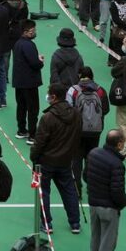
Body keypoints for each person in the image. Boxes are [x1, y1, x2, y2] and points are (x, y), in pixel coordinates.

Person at [31, 83, 82, 234]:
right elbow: (78, 136)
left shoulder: (48, 117)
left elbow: (39, 142)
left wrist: (34, 157)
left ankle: (46, 224)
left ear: (53, 96)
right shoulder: (76, 114)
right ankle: (75, 223)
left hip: (45, 162)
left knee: (43, 192)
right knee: (69, 191)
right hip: (66, 161)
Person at [85, 130, 126, 251]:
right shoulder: (117, 164)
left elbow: (86, 176)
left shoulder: (93, 153)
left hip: (93, 203)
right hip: (108, 208)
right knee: (108, 242)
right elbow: (117, 193)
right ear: (118, 144)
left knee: (96, 236)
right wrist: (125, 202)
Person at [66, 66, 110, 198]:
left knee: (76, 159)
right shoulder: (100, 90)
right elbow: (105, 110)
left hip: (78, 130)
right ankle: (92, 187)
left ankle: (77, 188)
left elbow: (68, 109)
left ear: (79, 75)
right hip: (95, 131)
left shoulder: (73, 90)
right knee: (91, 158)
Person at [12, 21, 44, 143]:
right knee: (33, 109)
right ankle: (32, 135)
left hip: (19, 82)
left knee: (21, 106)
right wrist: (40, 61)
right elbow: (35, 64)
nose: (34, 33)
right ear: (25, 32)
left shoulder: (18, 43)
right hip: (29, 83)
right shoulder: (29, 45)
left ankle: (21, 130)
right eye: (32, 31)